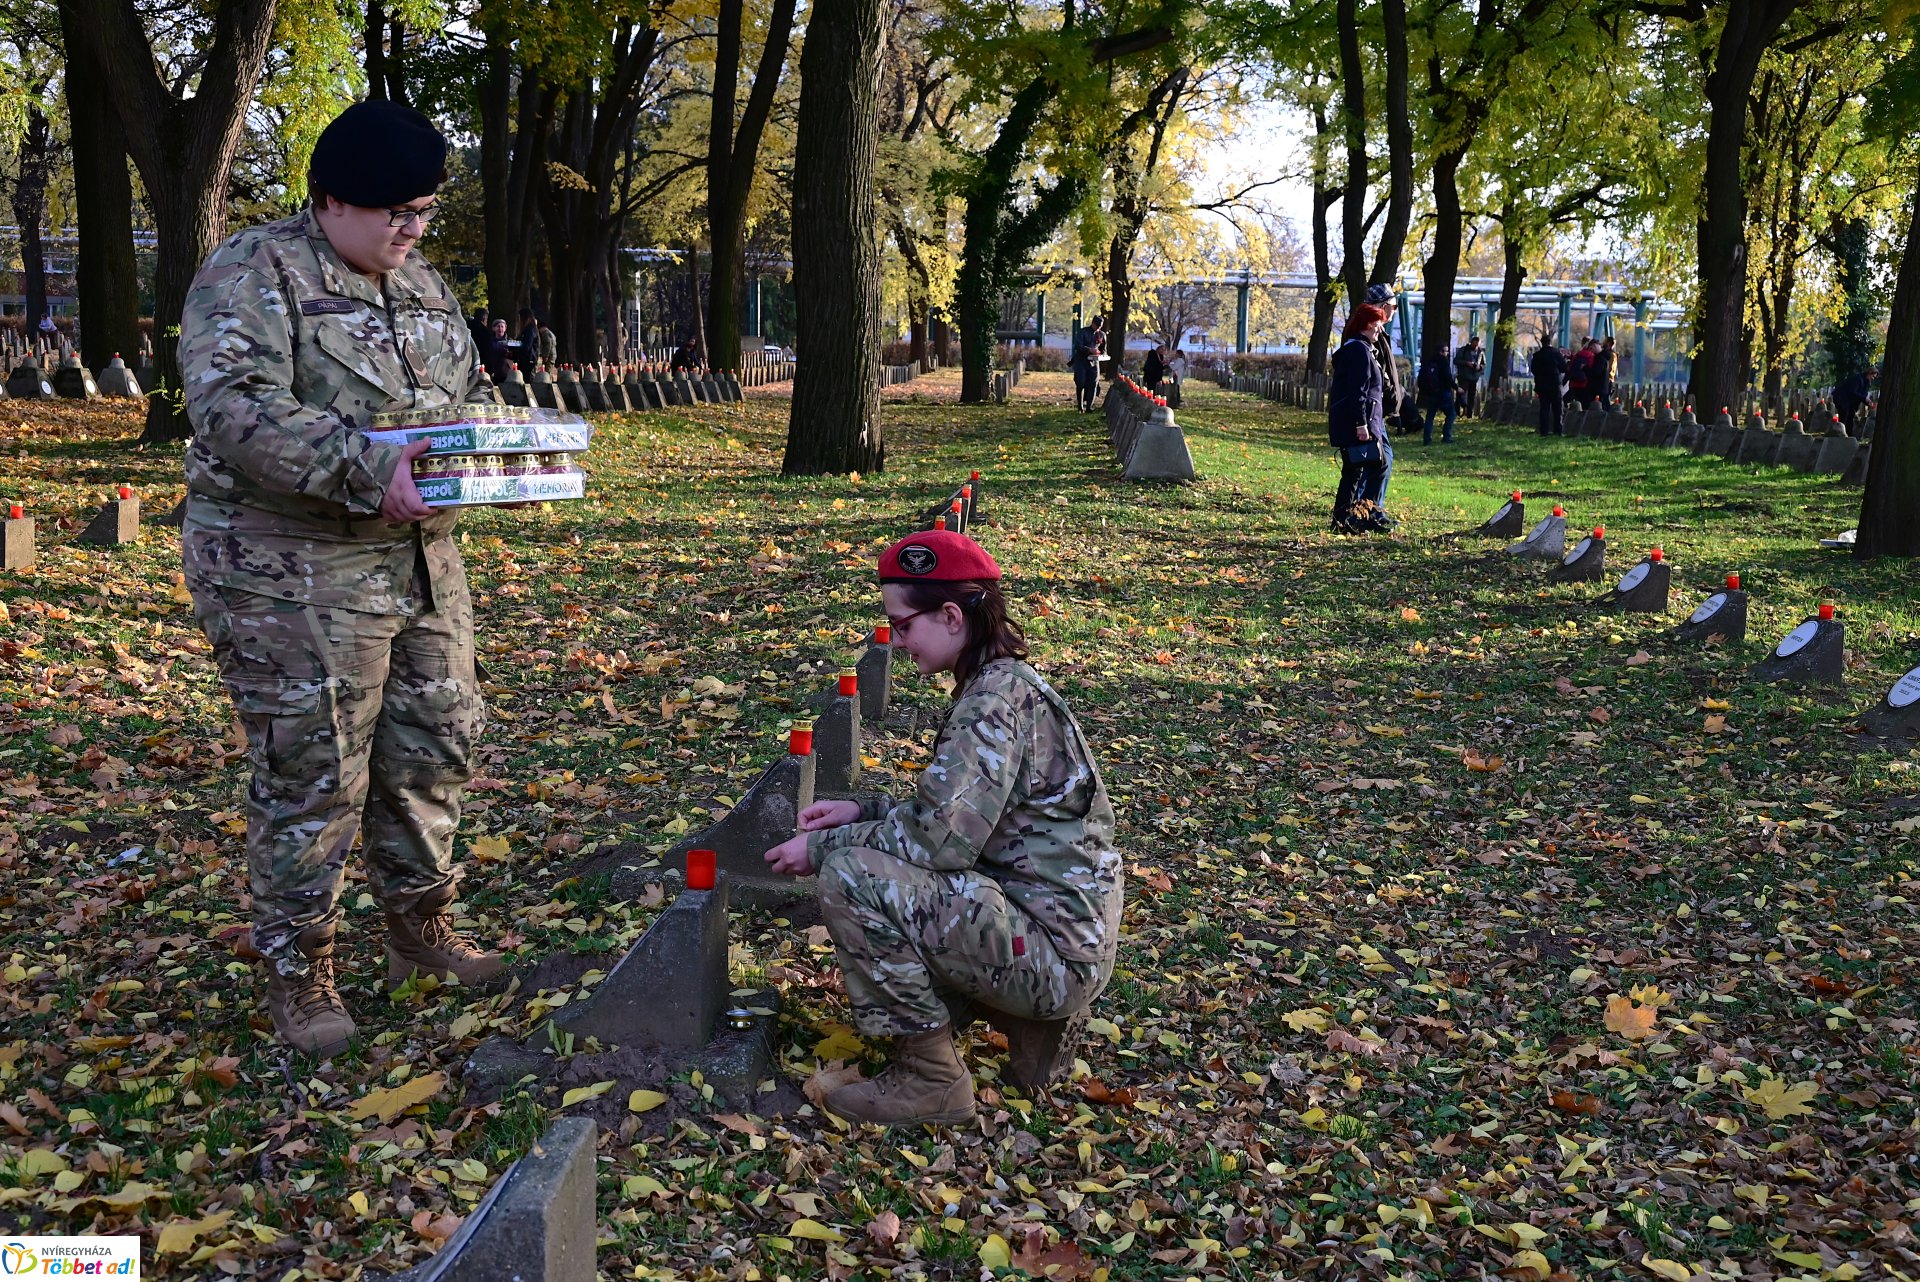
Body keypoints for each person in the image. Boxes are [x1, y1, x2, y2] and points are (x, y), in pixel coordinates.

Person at [178, 100, 505, 1058]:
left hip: (419, 563)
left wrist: (495, 454)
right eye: (394, 211)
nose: (411, 228)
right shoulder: (256, 271)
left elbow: (467, 394)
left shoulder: (424, 281)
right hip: (291, 568)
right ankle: (299, 964)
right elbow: (232, 405)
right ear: (330, 203)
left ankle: (420, 926)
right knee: (313, 770)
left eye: (424, 212)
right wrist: (369, 469)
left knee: (434, 744)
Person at [763, 530, 1124, 1126]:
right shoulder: (1005, 686)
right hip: (1058, 932)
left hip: (1053, 954)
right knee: (882, 863)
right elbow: (963, 816)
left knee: (852, 876)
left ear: (952, 615)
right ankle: (1003, 1016)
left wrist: (824, 845)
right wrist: (865, 811)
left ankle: (931, 1078)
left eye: (904, 624)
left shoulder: (991, 704)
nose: (898, 640)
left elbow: (940, 842)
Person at [1328, 303, 1393, 534]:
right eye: (1377, 325)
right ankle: (1361, 516)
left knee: (1356, 472)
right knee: (1373, 467)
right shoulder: (1359, 351)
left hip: (1361, 421)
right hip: (1360, 423)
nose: (1379, 330)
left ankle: (1347, 519)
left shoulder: (1359, 348)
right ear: (1367, 325)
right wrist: (1361, 424)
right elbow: (1359, 392)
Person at [1364, 284, 1407, 429]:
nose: (1395, 310)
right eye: (1394, 307)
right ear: (1383, 306)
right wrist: (1389, 394)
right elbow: (1378, 370)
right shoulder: (1370, 334)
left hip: (1378, 409)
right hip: (1373, 409)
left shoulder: (1379, 333)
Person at [1529, 340, 1569, 436]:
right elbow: (1564, 368)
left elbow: (1533, 370)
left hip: (1541, 385)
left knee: (1544, 408)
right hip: (1555, 384)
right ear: (1550, 343)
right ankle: (1557, 430)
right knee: (1557, 408)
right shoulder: (1556, 354)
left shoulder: (1537, 355)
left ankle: (1544, 431)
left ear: (1542, 343)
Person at [1417, 351, 1456, 445]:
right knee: (1451, 414)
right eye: (1445, 351)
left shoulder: (1428, 363)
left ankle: (1427, 439)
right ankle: (1447, 436)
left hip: (1431, 394)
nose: (1447, 353)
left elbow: (1421, 380)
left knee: (1430, 416)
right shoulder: (1443, 362)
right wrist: (1456, 387)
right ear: (1442, 352)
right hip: (1443, 393)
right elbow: (1448, 378)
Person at [1069, 315, 1105, 412]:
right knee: (1080, 383)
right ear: (1093, 323)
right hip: (1081, 361)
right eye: (1097, 326)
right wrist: (1089, 350)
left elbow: (1103, 349)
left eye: (1100, 326)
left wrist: (1101, 354)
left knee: (1093, 384)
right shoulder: (1083, 332)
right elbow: (1078, 346)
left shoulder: (1101, 334)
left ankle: (1089, 406)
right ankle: (1080, 406)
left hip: (1094, 362)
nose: (1098, 328)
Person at [1835, 366, 1874, 433]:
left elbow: (1862, 395)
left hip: (1849, 402)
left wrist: (1868, 402)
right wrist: (1864, 398)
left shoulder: (1866, 383)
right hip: (1842, 398)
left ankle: (1848, 435)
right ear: (1869, 373)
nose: (1873, 378)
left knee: (1850, 418)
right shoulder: (1858, 379)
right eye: (1873, 376)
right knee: (1844, 417)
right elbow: (1853, 392)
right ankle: (1841, 435)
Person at [1453, 336, 1485, 417]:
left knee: (1472, 396)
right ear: (1471, 342)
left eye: (1477, 344)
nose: (1476, 346)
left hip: (1474, 377)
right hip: (1464, 376)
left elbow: (1483, 364)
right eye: (1474, 344)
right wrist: (1467, 363)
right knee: (1461, 394)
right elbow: (1456, 360)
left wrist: (1479, 367)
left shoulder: (1480, 352)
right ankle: (1458, 411)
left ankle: (1469, 414)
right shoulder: (1464, 350)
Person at [483, 317, 515, 384]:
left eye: (502, 327)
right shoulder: (489, 342)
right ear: (493, 328)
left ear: (505, 328)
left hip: (507, 374)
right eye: (498, 326)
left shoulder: (510, 341)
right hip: (493, 373)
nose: (500, 329)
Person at [1568, 338, 1596, 411]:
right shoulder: (1592, 356)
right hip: (1585, 384)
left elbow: (1570, 367)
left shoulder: (1578, 354)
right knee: (1585, 406)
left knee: (1576, 406)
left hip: (1574, 384)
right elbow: (1592, 371)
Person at [1593, 335, 1617, 413]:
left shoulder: (1610, 355)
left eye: (1605, 341)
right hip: (1608, 379)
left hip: (1608, 380)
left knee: (1605, 398)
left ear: (1609, 343)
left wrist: (1606, 375)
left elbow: (1610, 368)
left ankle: (1606, 413)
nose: (1603, 342)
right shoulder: (1610, 354)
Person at [517, 308, 540, 375]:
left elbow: (526, 346)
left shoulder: (529, 330)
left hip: (528, 361)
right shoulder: (528, 329)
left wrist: (513, 345)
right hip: (526, 360)